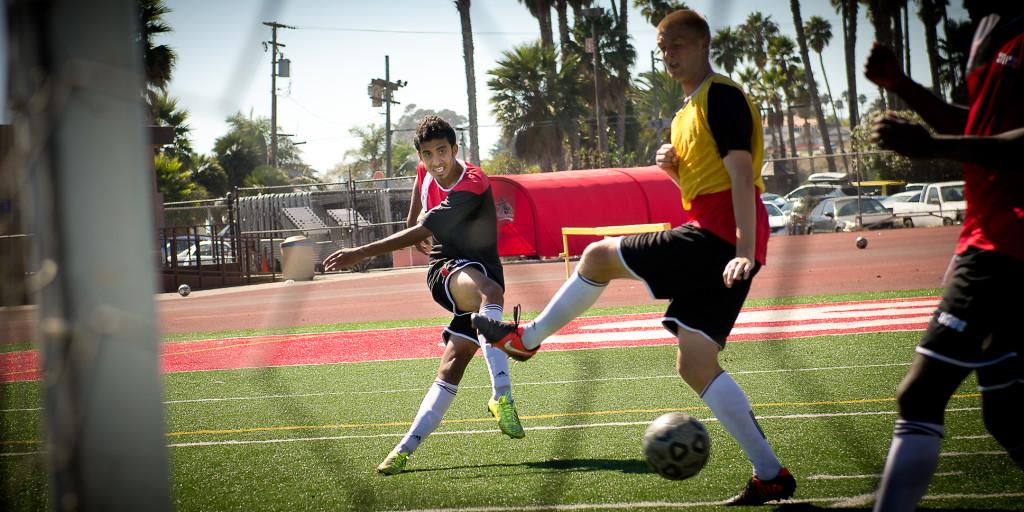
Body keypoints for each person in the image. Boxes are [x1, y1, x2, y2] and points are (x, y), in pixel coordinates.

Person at [473, 10, 795, 506]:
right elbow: (700, 185)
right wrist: (672, 172)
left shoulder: (721, 96)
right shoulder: (684, 113)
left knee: (598, 255)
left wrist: (744, 251)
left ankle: (528, 338)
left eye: (679, 45)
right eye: (663, 48)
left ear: (703, 44)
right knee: (695, 362)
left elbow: (741, 174)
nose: (669, 55)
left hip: (719, 237)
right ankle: (770, 474)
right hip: (718, 234)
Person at [865, 3, 1024, 510]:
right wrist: (903, 85)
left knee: (920, 397)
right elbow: (980, 125)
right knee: (1007, 414)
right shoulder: (994, 24)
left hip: (1006, 246)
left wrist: (932, 146)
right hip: (991, 238)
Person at [323, 115, 525, 475]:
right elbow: (416, 214)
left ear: (455, 149)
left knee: (452, 366)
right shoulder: (426, 173)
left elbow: (424, 225)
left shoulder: (474, 181)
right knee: (489, 292)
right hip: (446, 270)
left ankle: (402, 451)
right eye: (428, 154)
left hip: (482, 272)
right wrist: (412, 228)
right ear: (421, 157)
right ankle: (502, 395)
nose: (436, 161)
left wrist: (364, 250)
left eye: (442, 151)